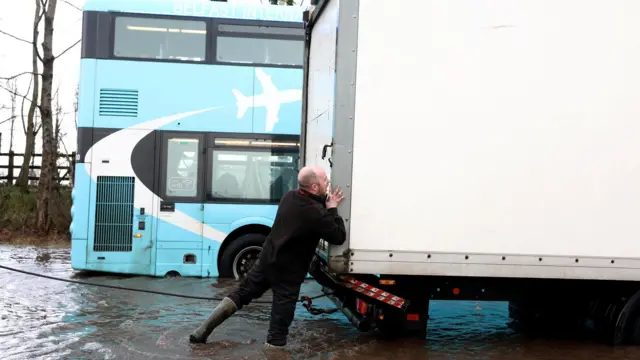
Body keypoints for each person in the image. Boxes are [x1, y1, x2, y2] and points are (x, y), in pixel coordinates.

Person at [189, 165, 347, 348]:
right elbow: (338, 236)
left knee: (240, 294)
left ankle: (201, 332)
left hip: (266, 261)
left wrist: (323, 204)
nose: (328, 181)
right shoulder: (315, 213)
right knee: (279, 328)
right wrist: (333, 208)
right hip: (289, 274)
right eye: (324, 180)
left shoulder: (289, 197)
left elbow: (309, 209)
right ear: (314, 187)